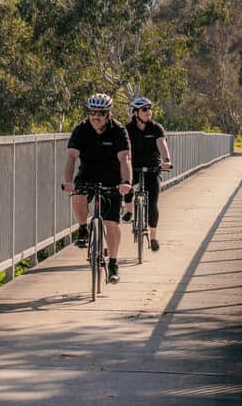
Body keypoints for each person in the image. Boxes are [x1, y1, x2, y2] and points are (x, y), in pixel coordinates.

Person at [62, 93, 132, 283]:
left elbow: (125, 159)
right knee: (77, 192)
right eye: (92, 112)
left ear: (108, 113)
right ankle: (83, 228)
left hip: (113, 179)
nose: (95, 116)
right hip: (88, 175)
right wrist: (68, 181)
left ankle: (113, 264)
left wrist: (126, 182)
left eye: (100, 112)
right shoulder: (81, 129)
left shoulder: (118, 130)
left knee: (111, 224)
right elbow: (71, 157)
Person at [123, 96, 172, 251]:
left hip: (152, 168)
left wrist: (166, 160)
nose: (148, 112)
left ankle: (153, 237)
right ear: (136, 112)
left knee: (152, 203)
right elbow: (122, 148)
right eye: (144, 109)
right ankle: (129, 209)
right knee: (126, 182)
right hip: (133, 166)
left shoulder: (156, 128)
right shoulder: (127, 129)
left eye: (150, 108)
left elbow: (161, 144)